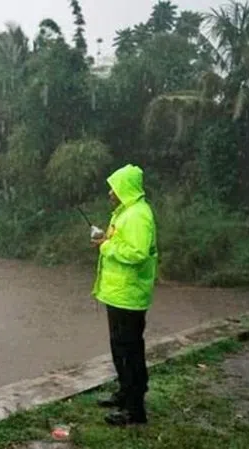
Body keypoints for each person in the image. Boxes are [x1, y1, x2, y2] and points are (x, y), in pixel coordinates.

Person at [90, 163, 158, 427]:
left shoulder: (138, 215)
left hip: (129, 295)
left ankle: (135, 410)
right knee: (121, 348)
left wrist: (106, 246)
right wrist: (106, 239)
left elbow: (138, 253)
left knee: (129, 350)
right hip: (119, 294)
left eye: (113, 189)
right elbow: (123, 244)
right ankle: (125, 393)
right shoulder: (125, 213)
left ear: (125, 189)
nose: (110, 194)